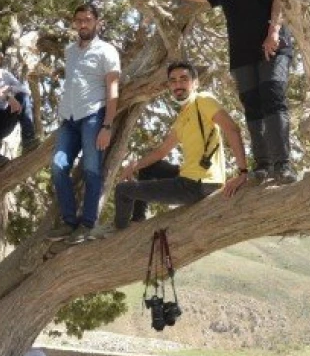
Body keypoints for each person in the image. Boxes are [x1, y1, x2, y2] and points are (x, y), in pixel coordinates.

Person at [154, 0, 297, 184]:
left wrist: (273, 31)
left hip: (272, 46)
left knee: (272, 97)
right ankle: (262, 166)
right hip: (242, 55)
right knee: (253, 106)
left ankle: (283, 165)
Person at [92, 62, 248, 238]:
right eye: (173, 81)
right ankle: (138, 219)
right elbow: (161, 152)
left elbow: (232, 129)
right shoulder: (184, 115)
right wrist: (134, 166)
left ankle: (118, 231)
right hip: (190, 177)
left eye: (183, 79)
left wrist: (242, 172)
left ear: (195, 83)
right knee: (147, 167)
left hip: (198, 185)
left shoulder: (203, 100)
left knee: (123, 190)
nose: (178, 84)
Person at [48, 2, 121, 244]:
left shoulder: (107, 51)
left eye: (87, 19)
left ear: (97, 22)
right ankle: (70, 222)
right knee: (58, 168)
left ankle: (87, 224)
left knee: (91, 170)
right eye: (78, 20)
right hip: (68, 119)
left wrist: (107, 125)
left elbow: (112, 89)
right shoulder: (70, 51)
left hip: (92, 117)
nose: (83, 24)